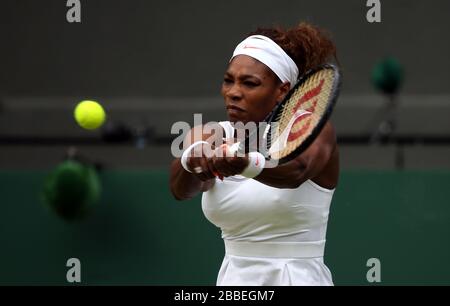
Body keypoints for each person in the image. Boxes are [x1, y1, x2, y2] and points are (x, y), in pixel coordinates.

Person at [170, 22, 339, 286]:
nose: (233, 92)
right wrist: (193, 161)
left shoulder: (312, 129)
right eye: (228, 81)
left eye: (249, 83)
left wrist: (245, 164)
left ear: (282, 90)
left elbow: (297, 171)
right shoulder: (209, 134)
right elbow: (180, 191)